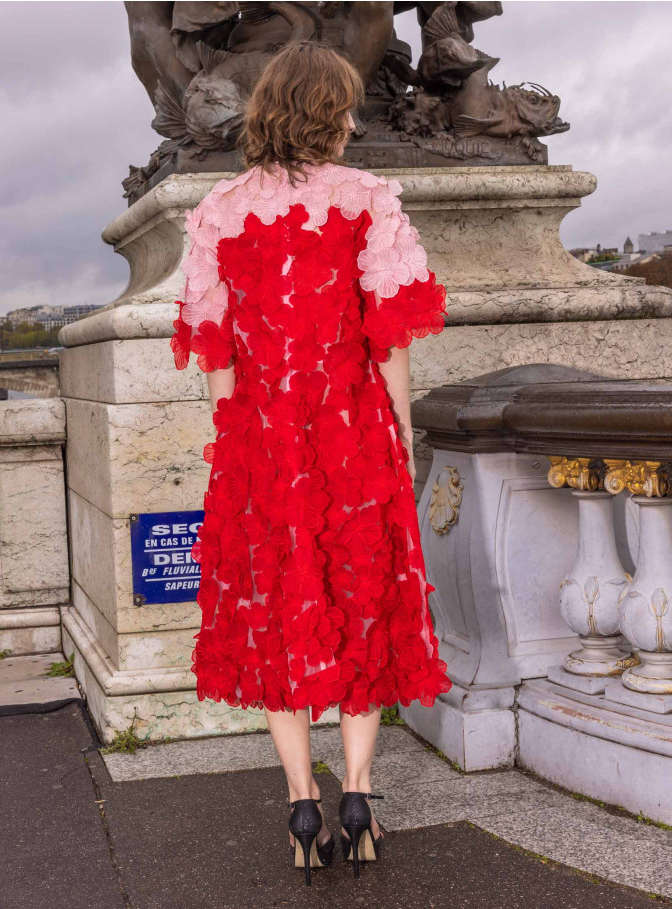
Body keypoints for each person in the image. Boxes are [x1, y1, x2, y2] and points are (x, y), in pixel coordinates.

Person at [170, 39, 452, 885]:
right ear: (330, 113)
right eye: (351, 106)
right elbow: (391, 336)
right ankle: (359, 795)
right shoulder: (369, 199)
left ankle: (302, 803)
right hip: (353, 436)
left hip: (261, 445)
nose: (359, 120)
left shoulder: (216, 211)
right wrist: (397, 437)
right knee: (362, 606)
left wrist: (238, 441)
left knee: (278, 617)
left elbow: (214, 348)